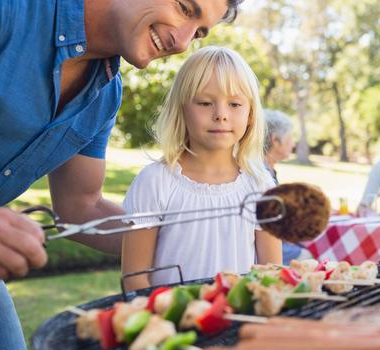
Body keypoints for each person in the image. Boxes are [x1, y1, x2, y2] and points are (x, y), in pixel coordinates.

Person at [0, 1, 241, 350]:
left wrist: (184, 234)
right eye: (185, 8)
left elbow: (79, 208)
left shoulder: (104, 95)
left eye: (199, 32)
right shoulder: (7, 10)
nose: (183, 42)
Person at [121, 46, 282, 291]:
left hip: (235, 323)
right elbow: (135, 279)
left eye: (235, 104)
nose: (221, 115)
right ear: (182, 110)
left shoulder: (261, 188)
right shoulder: (154, 182)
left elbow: (273, 277)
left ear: (251, 114)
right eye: (205, 103)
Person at [263, 109, 303, 265]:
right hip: (270, 249)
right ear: (275, 140)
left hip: (278, 242)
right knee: (309, 254)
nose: (293, 143)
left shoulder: (268, 170)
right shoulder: (263, 175)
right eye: (290, 137)